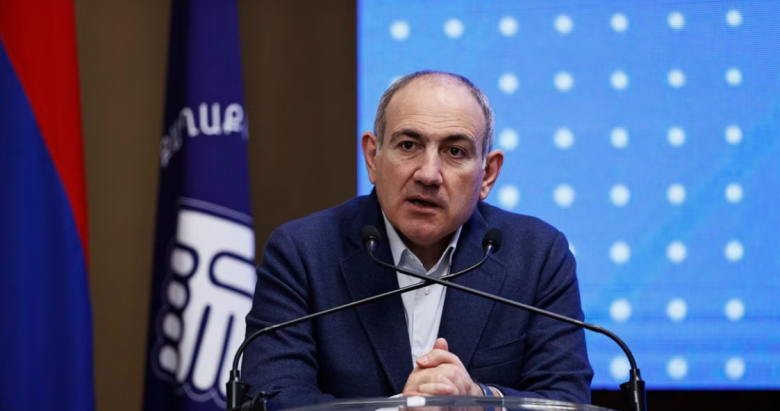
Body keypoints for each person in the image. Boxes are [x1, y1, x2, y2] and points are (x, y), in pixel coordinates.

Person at [242, 70, 593, 408]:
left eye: (455, 152)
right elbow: (271, 396)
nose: (428, 174)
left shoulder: (538, 255)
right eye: (409, 145)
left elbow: (566, 399)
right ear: (373, 157)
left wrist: (480, 401)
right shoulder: (303, 252)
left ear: (487, 174)